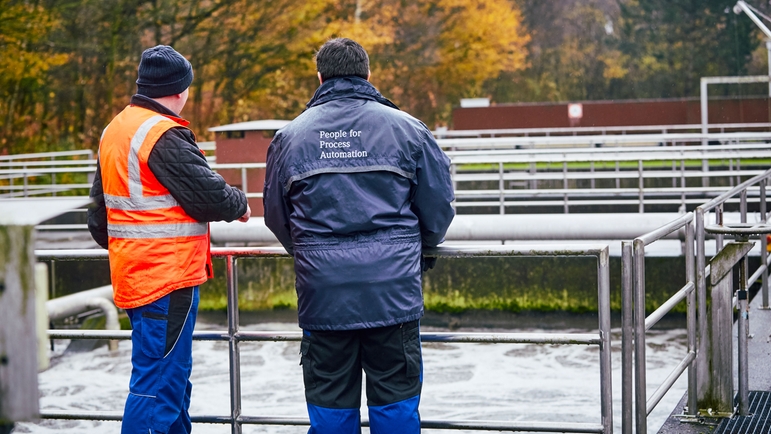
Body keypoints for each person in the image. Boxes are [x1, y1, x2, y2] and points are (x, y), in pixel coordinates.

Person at [263, 38, 455, 434]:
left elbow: (276, 217)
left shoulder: (290, 138)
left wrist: (311, 254)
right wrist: (420, 249)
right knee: (396, 402)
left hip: (324, 294)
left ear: (319, 77)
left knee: (330, 403)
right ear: (368, 75)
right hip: (392, 290)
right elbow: (438, 206)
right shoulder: (407, 129)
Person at [87, 44, 251, 434]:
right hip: (167, 275)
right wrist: (240, 204)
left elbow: (98, 217)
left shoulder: (117, 128)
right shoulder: (162, 133)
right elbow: (208, 195)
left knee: (170, 380)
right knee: (159, 384)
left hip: (134, 273)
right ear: (180, 90)